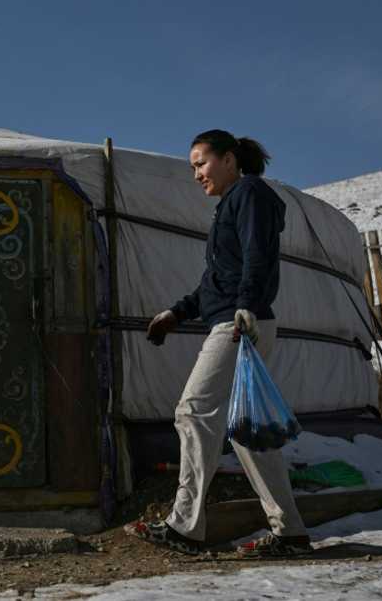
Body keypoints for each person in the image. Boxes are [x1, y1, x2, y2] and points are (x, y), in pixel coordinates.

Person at [126, 129, 313, 558]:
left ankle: (185, 526)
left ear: (229, 159)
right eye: (193, 167)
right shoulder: (231, 205)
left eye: (201, 163)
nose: (196, 175)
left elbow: (256, 255)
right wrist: (177, 313)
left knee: (193, 412)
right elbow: (216, 282)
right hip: (237, 318)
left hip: (238, 324)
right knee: (247, 433)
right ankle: (292, 532)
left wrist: (246, 304)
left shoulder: (250, 193)